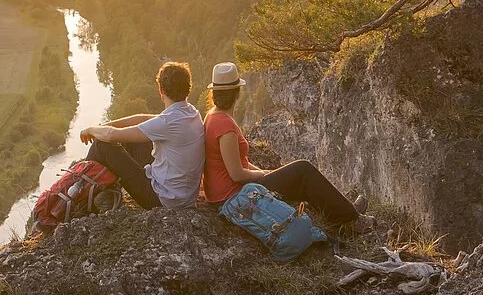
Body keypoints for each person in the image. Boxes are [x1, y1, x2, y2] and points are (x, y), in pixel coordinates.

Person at [198, 62, 362, 230]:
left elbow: (238, 162)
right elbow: (237, 174)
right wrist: (262, 173)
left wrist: (268, 173)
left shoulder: (212, 117)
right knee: (303, 169)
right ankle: (351, 218)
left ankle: (342, 213)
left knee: (294, 176)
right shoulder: (224, 125)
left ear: (214, 93)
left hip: (225, 193)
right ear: (237, 93)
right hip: (234, 196)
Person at [77, 61, 207, 210]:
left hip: (161, 199)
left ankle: (82, 204)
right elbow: (144, 119)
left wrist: (90, 130)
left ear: (160, 89)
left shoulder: (167, 122)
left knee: (102, 146)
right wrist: (103, 126)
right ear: (188, 88)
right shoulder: (191, 113)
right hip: (184, 197)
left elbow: (111, 136)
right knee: (134, 139)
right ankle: (104, 193)